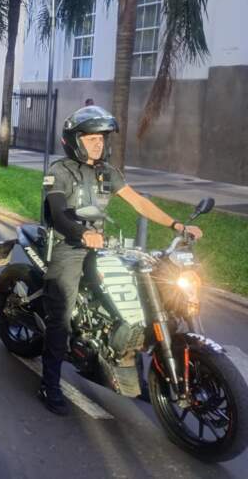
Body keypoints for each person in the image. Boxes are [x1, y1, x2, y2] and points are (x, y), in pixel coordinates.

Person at [39, 105, 203, 415]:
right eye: (91, 138)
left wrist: (177, 225)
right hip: (68, 246)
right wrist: (82, 233)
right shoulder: (59, 171)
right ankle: (49, 384)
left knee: (137, 298)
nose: (98, 144)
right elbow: (58, 213)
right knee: (60, 315)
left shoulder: (107, 172)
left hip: (101, 246)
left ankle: (134, 370)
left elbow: (139, 202)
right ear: (74, 140)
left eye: (101, 138)